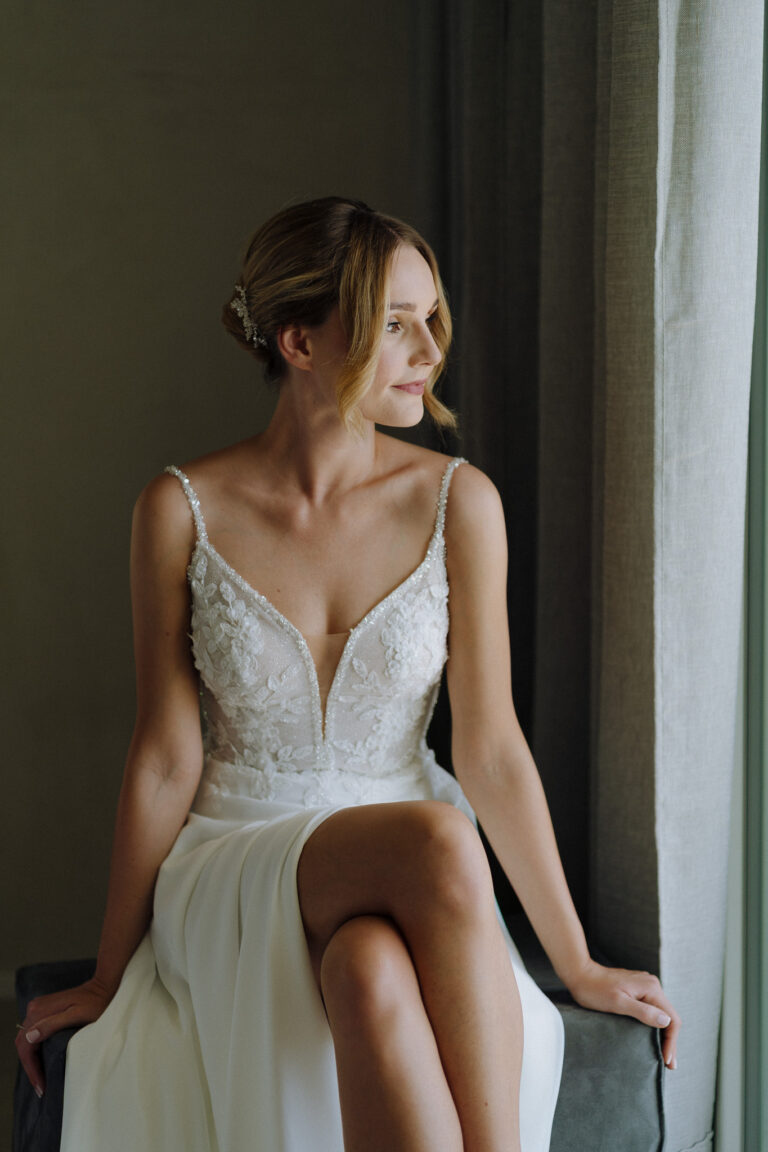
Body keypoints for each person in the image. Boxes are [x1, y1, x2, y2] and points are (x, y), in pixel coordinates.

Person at [16, 196, 679, 1152]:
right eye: (396, 323)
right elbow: (165, 755)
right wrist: (111, 972)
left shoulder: (459, 501)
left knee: (369, 969)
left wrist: (576, 963)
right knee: (446, 846)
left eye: (431, 318)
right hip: (239, 853)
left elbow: (489, 746)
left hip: (403, 858)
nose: (429, 350)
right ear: (299, 342)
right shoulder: (179, 508)